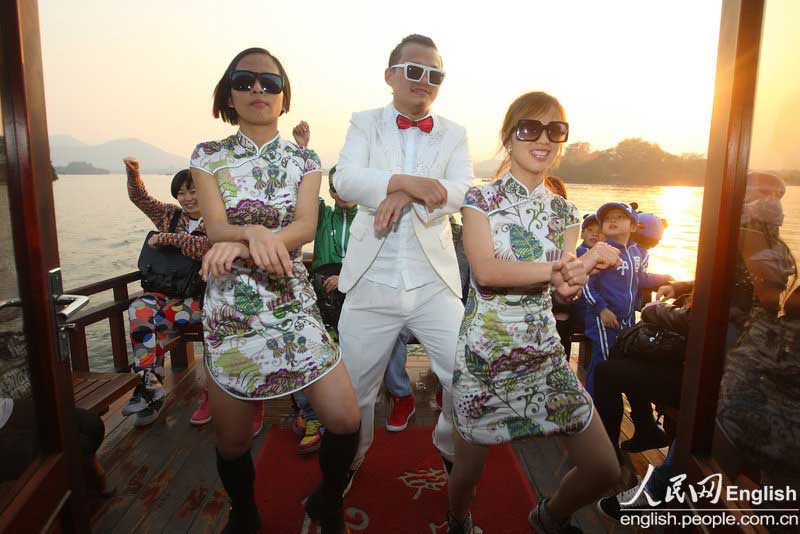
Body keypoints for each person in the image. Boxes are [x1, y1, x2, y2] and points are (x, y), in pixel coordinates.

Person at [190, 47, 360, 534]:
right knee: (233, 444)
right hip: (232, 312)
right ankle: (244, 513)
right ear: (229, 94)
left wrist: (247, 238)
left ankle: (327, 498)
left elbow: (305, 226)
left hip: (291, 302)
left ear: (285, 96)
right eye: (245, 81)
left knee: (345, 419)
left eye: (270, 82)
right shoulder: (208, 155)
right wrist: (254, 234)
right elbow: (215, 227)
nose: (258, 90)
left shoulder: (304, 159)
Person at [448, 91, 622, 534]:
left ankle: (550, 515)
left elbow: (562, 290)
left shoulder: (565, 212)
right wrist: (563, 268)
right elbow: (486, 272)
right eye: (529, 128)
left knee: (605, 469)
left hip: (544, 357)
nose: (542, 138)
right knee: (467, 474)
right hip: (484, 358)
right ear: (509, 138)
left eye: (555, 130)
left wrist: (579, 274)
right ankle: (458, 522)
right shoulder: (478, 200)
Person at [332, 34, 473, 497]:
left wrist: (404, 192)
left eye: (435, 75)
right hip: (371, 279)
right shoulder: (365, 123)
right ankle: (352, 460)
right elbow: (347, 180)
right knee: (354, 390)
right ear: (391, 74)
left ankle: (449, 446)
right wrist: (402, 181)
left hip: (434, 282)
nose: (424, 82)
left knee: (464, 375)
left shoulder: (454, 133)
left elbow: (460, 190)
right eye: (414, 71)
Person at [122, 159, 210, 426]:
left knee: (150, 327)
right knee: (139, 310)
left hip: (201, 300)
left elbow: (205, 247)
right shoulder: (169, 215)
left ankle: (152, 391)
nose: (187, 198)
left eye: (193, 191)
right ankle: (151, 384)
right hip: (166, 294)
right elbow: (141, 198)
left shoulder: (219, 219)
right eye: (181, 193)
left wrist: (166, 238)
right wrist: (134, 173)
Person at [581, 202, 672, 395]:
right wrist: (601, 309)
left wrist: (667, 279)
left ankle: (609, 405)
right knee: (603, 363)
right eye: (607, 218)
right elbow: (586, 283)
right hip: (604, 318)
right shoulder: (601, 250)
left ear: (633, 226)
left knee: (619, 361)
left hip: (627, 319)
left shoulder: (636, 252)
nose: (612, 220)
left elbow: (639, 279)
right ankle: (595, 406)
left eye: (620, 217)